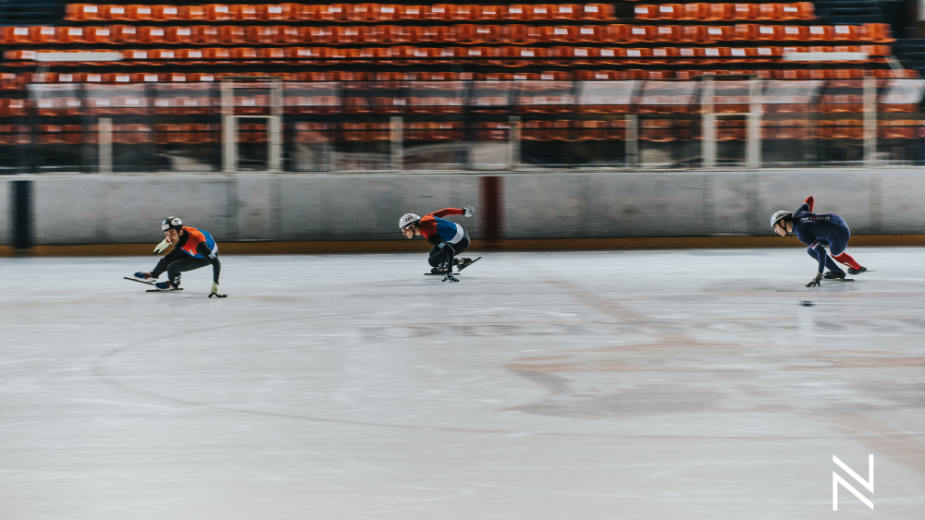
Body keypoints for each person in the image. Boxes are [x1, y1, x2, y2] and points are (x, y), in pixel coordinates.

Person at [770, 195, 867, 287]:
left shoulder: (801, 233)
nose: (775, 231)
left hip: (840, 233)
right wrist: (811, 219)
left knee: (836, 254)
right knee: (811, 250)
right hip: (836, 220)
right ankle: (836, 271)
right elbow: (810, 199)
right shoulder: (799, 213)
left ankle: (856, 268)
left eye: (775, 227)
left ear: (782, 222)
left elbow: (821, 252)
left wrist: (819, 274)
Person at [133, 216, 225, 297]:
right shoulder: (177, 234)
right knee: (165, 260)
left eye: (171, 233)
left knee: (172, 267)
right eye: (166, 234)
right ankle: (153, 275)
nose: (169, 237)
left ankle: (173, 284)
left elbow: (216, 262)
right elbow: (171, 234)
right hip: (188, 247)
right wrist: (164, 242)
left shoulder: (198, 243)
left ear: (180, 232)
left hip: (203, 256)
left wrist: (215, 284)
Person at [399, 205, 476, 282]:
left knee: (433, 261)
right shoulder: (426, 218)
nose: (404, 233)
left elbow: (450, 250)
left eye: (404, 230)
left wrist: (449, 273)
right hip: (459, 228)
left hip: (462, 242)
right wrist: (463, 211)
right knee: (433, 254)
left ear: (412, 226)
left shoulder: (429, 235)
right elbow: (446, 211)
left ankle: (462, 261)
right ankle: (445, 265)